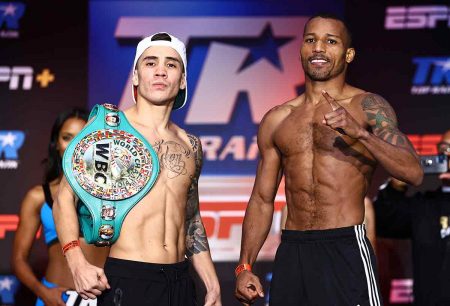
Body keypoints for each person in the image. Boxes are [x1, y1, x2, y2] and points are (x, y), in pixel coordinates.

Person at [234, 13, 423, 306]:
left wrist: (360, 133)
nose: (318, 48)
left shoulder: (368, 106)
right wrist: (245, 266)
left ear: (348, 54)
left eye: (330, 41)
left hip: (345, 247)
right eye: (311, 40)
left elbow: (413, 172)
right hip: (292, 251)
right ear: (301, 50)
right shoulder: (277, 119)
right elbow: (262, 198)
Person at [53, 32, 221, 306]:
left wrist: (212, 285)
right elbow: (63, 199)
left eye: (171, 64)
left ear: (182, 80)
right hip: (129, 279)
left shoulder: (190, 145)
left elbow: (191, 218)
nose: (160, 71)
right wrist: (76, 262)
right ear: (135, 76)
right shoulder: (108, 130)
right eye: (150, 63)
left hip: (181, 281)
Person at [11, 108, 109, 306]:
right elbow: (18, 260)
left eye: (82, 137)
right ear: (56, 144)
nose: (74, 144)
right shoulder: (38, 196)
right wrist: (44, 293)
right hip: (56, 300)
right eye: (67, 137)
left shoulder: (113, 195)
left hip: (105, 298)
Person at [374, 129, 450, 306]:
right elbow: (382, 219)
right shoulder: (422, 205)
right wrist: (397, 184)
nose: (447, 155)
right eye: (444, 149)